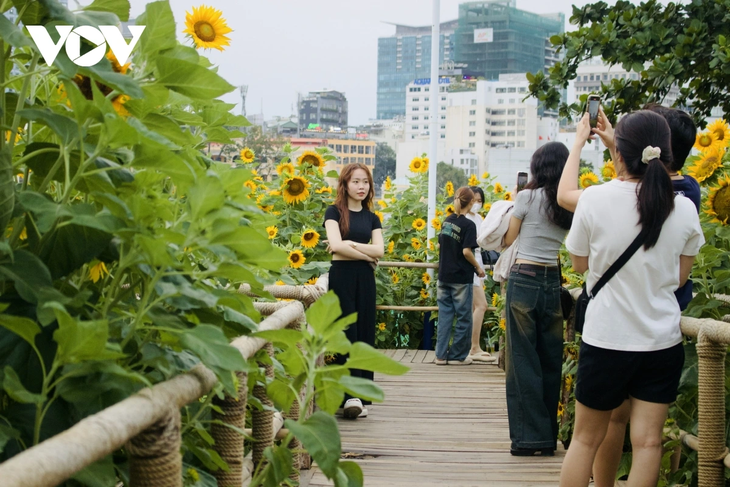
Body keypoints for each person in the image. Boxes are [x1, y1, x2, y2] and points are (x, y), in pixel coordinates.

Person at [559, 110, 704, 487]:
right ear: (667, 153)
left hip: (606, 339)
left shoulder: (594, 200)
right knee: (649, 443)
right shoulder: (684, 207)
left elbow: (578, 264)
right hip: (661, 343)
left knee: (586, 439)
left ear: (618, 154)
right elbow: (680, 277)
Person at [501, 141, 574, 456]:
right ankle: (546, 439)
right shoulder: (567, 204)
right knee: (549, 360)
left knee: (522, 361)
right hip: (551, 283)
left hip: (524, 280)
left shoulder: (527, 197)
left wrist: (511, 206)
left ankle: (526, 439)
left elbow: (507, 239)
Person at [324, 163, 384, 419]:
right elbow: (335, 246)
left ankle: (359, 394)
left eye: (366, 182)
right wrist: (360, 251)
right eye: (356, 182)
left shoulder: (372, 217)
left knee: (363, 333)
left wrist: (347, 244)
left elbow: (380, 251)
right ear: (345, 184)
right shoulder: (334, 212)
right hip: (342, 278)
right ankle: (346, 396)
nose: (361, 187)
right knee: (344, 333)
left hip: (364, 279)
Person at [435, 186, 485, 366]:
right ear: (471, 202)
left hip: (443, 276)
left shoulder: (447, 221)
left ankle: (440, 355)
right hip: (461, 278)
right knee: (464, 317)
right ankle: (457, 356)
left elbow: (440, 245)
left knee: (445, 315)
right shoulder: (469, 225)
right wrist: (478, 268)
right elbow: (467, 251)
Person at [465, 185, 497, 363]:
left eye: (479, 201)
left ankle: (470, 346)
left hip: (479, 266)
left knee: (473, 307)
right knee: (482, 305)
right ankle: (474, 347)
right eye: (473, 200)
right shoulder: (464, 218)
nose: (476, 204)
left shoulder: (478, 218)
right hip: (472, 266)